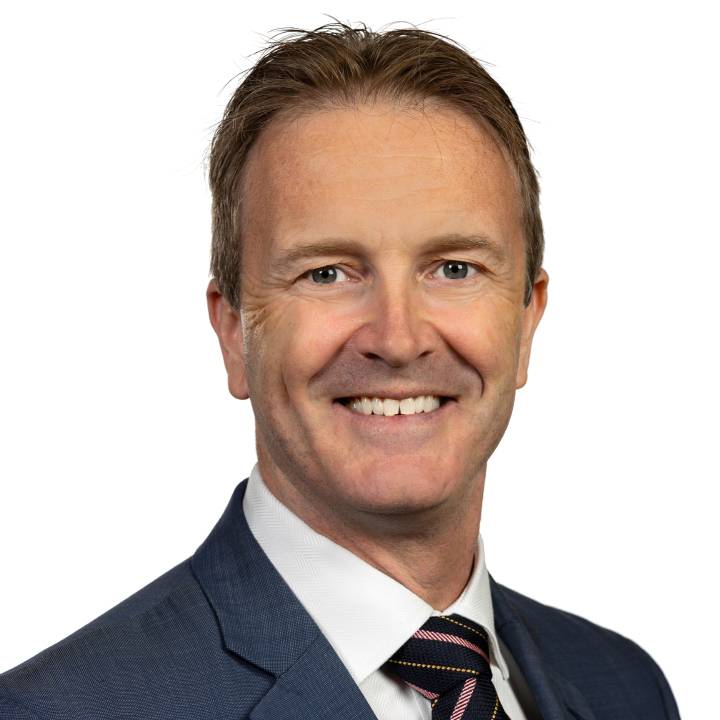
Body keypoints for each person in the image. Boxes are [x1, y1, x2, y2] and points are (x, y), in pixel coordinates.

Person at [0, 21, 680, 720]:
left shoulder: (625, 689)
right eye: (326, 273)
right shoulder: (53, 709)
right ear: (233, 331)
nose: (399, 339)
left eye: (454, 269)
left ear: (527, 319)